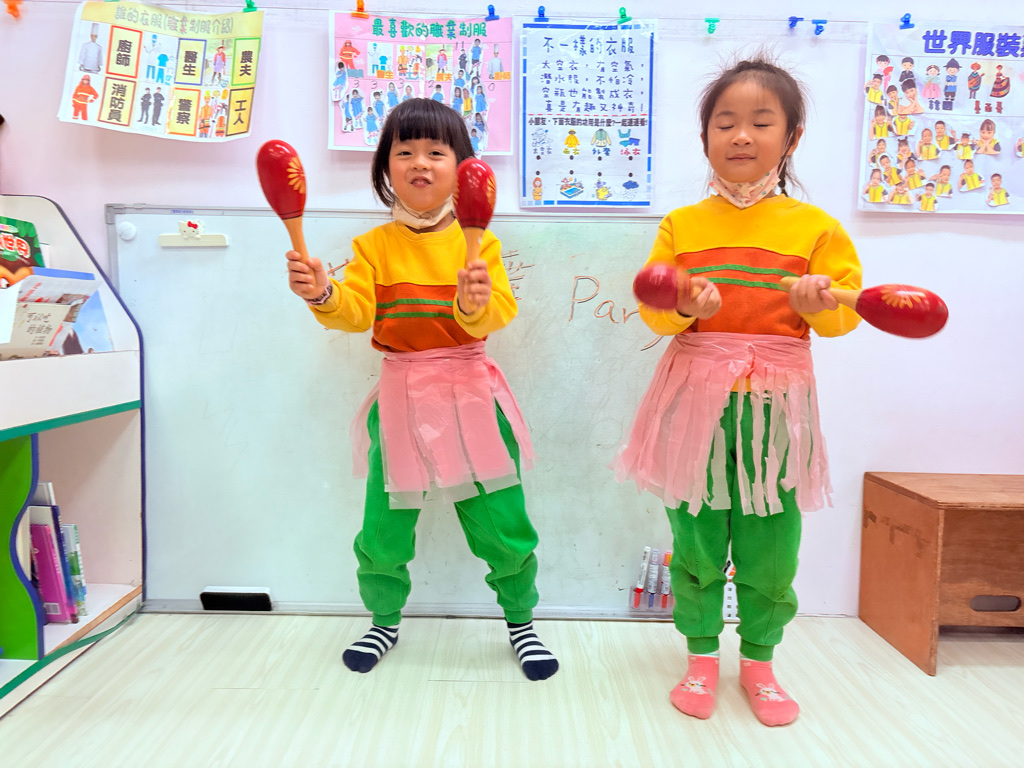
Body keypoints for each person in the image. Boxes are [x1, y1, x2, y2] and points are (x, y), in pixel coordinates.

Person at [614, 56, 862, 727]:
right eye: (724, 122)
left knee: (772, 542)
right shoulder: (682, 224)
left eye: (761, 121)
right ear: (704, 138)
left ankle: (759, 664)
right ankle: (700, 657)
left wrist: (815, 305)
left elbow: (844, 315)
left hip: (775, 411)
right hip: (694, 405)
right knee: (695, 535)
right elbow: (654, 309)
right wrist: (686, 306)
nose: (742, 135)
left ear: (793, 136)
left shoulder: (816, 228)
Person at [283, 98, 559, 682]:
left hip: (472, 396)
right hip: (400, 399)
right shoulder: (372, 246)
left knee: (501, 522)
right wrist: (322, 293)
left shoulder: (480, 243)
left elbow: (498, 313)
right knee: (384, 529)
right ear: (385, 167)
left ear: (463, 168)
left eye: (437, 151)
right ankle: (383, 620)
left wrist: (474, 304)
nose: (420, 163)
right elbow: (356, 313)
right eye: (404, 151)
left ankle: (521, 621)